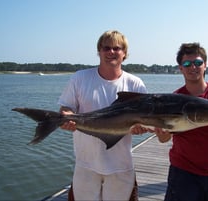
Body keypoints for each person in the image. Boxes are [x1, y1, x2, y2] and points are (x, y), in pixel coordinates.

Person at [58, 30, 147, 201]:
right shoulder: (80, 78)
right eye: (106, 48)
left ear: (125, 53)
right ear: (99, 51)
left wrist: (140, 128)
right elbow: (66, 108)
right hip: (85, 164)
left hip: (121, 166)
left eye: (117, 48)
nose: (111, 52)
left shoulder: (135, 84)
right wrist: (66, 117)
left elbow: (143, 119)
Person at [154, 43, 208, 201]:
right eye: (187, 63)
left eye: (198, 63)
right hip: (183, 172)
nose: (193, 67)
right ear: (180, 68)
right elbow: (164, 138)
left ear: (205, 66)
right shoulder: (173, 99)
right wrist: (161, 133)